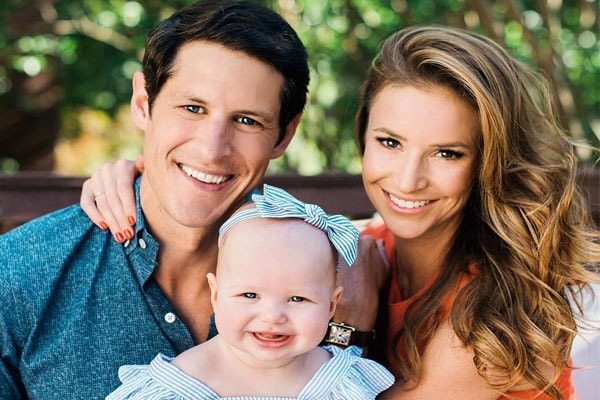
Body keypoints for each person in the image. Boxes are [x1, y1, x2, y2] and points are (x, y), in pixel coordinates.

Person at [85, 26, 600, 399]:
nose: (406, 179)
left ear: (491, 161)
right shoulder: (365, 246)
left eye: (448, 153)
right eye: (390, 142)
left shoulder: (495, 304)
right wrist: (139, 176)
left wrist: (349, 326)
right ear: (363, 139)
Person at [0, 1, 311, 398]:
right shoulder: (16, 278)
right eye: (192, 108)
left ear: (284, 135)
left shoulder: (325, 275)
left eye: (247, 120)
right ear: (144, 104)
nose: (213, 149)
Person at [106, 184, 394, 399]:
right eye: (249, 295)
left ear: (331, 306)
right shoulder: (174, 387)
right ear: (216, 296)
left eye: (297, 298)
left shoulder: (343, 383)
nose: (272, 316)